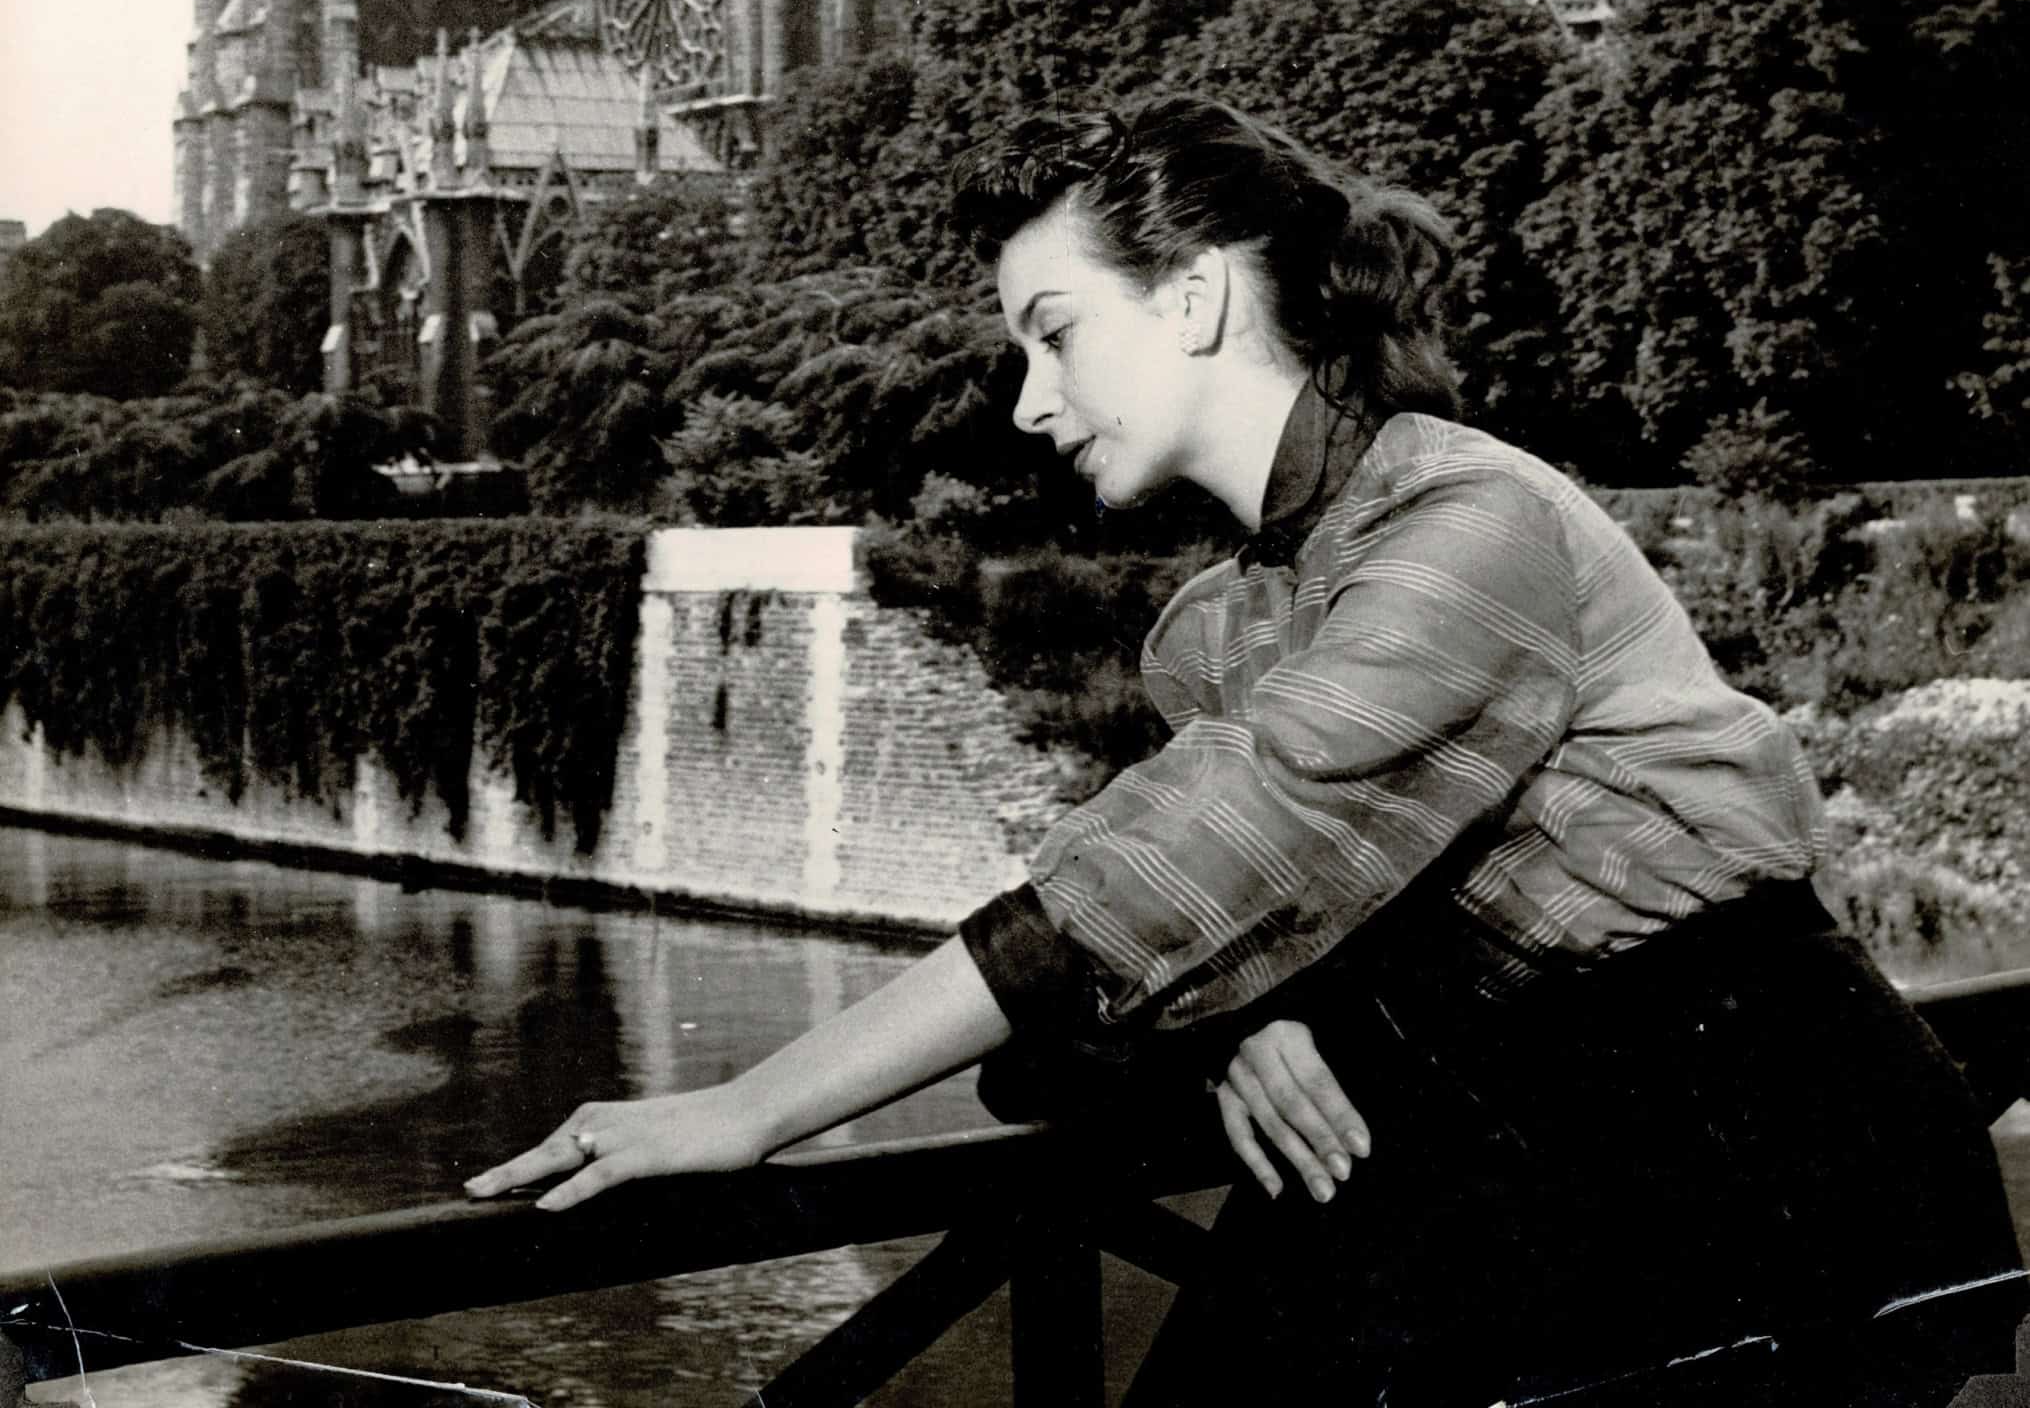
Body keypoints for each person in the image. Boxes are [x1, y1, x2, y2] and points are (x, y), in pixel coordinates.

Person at [466, 92, 2023, 1404]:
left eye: (1054, 334)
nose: (1027, 403)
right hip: (1518, 1141)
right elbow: (1214, 919)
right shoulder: (1216, 625)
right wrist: (1239, 1019)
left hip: (1768, 1156)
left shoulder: (1468, 527)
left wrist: (740, 1112)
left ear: (1198, 295)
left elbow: (1169, 875)